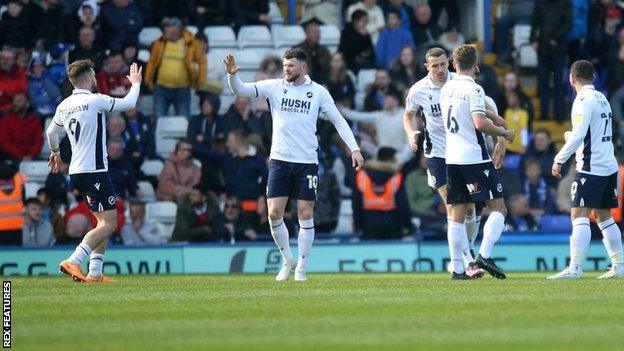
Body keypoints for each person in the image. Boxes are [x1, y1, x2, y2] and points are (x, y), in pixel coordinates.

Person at [225, 48, 364, 281]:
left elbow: (339, 121)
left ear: (303, 67)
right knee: (274, 213)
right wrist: (232, 76)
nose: (286, 69)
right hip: (279, 160)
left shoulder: (318, 92)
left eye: (290, 65)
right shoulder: (274, 86)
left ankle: (301, 267)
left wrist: (355, 148)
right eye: (284, 65)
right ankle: (287, 258)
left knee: (305, 212)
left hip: (307, 162)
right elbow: (242, 90)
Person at [403, 47, 507, 276]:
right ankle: (469, 262)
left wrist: (499, 135)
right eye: (435, 66)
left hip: (457, 153)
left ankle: (464, 257)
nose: (440, 69)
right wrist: (411, 133)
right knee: (453, 208)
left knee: (469, 210)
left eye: (443, 64)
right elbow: (409, 114)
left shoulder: (455, 83)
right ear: (426, 67)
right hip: (437, 155)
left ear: (449, 63)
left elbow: (485, 105)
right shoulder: (419, 90)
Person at [45, 59, 142, 283]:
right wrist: (135, 83)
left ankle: (95, 272)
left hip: (77, 171)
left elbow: (51, 133)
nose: (96, 80)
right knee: (110, 224)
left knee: (102, 223)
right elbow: (129, 104)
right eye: (94, 77)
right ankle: (73, 260)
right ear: (89, 79)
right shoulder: (95, 100)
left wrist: (55, 152)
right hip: (94, 170)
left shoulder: (64, 105)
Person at [439, 44, 515, 279]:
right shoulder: (475, 90)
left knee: (457, 215)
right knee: (499, 208)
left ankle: (459, 269)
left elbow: (469, 114)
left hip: (452, 157)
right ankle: (484, 254)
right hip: (474, 157)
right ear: (476, 64)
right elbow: (479, 123)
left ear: (453, 64)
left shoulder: (446, 88)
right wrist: (504, 133)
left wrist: (493, 117)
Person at [548, 60, 624, 279]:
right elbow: (593, 135)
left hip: (591, 167)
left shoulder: (582, 100)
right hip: (608, 165)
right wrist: (573, 138)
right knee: (604, 217)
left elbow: (581, 134)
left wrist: (559, 159)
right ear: (594, 77)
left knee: (578, 215)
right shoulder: (603, 99)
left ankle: (575, 268)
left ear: (572, 78)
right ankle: (619, 266)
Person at [145, 17, 206, 118]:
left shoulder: (191, 43)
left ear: (177, 29)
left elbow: (202, 62)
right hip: (161, 88)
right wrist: (148, 80)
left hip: (182, 88)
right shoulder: (159, 43)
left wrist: (200, 81)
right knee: (159, 119)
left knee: (184, 119)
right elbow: (152, 62)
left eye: (168, 27)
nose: (165, 30)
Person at [352, 147, 411, 240]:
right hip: (393, 226)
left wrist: (358, 226)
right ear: (390, 159)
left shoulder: (362, 175)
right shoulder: (396, 177)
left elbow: (356, 204)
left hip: (368, 225)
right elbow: (403, 205)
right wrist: (408, 226)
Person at [530, 0, 572, 120]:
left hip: (558, 48)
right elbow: (534, 21)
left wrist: (556, 38)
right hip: (543, 48)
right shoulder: (540, 3)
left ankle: (559, 114)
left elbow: (568, 24)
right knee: (543, 82)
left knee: (558, 82)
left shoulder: (566, 3)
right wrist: (533, 39)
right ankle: (544, 114)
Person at [0, 93, 43, 162]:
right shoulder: (5, 120)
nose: (15, 104)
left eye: (19, 101)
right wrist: (21, 156)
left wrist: (31, 156)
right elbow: (5, 142)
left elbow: (39, 140)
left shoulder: (35, 120)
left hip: (31, 157)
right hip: (11, 157)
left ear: (27, 104)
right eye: (14, 101)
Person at [293, 20, 332, 85]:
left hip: (323, 83)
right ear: (307, 33)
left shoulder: (324, 50)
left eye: (318, 32)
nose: (317, 34)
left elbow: (328, 67)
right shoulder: (298, 50)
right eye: (314, 32)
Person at [0, 160, 26, 246]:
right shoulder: (20, 178)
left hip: (2, 228)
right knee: (16, 256)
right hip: (17, 227)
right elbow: (24, 200)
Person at [0, 49, 27, 113]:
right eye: (2, 58)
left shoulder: (20, 72)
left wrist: (3, 94)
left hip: (14, 108)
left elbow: (22, 91)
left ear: (14, 61)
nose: (5, 61)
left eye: (8, 59)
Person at [503, 90, 529, 154]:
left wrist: (524, 145)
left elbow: (524, 130)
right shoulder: (507, 111)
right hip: (506, 145)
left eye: (512, 97)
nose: (509, 99)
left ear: (518, 100)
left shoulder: (523, 113)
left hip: (518, 146)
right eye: (509, 98)